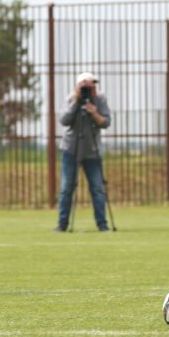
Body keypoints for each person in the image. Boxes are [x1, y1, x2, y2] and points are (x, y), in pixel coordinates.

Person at [55, 72, 113, 232]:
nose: (90, 87)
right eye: (85, 85)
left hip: (92, 151)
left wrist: (94, 112)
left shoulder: (100, 99)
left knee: (97, 188)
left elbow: (106, 122)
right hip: (71, 150)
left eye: (92, 84)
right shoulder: (71, 98)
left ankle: (102, 224)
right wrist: (76, 102)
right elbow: (64, 120)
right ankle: (62, 224)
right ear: (78, 85)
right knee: (66, 188)